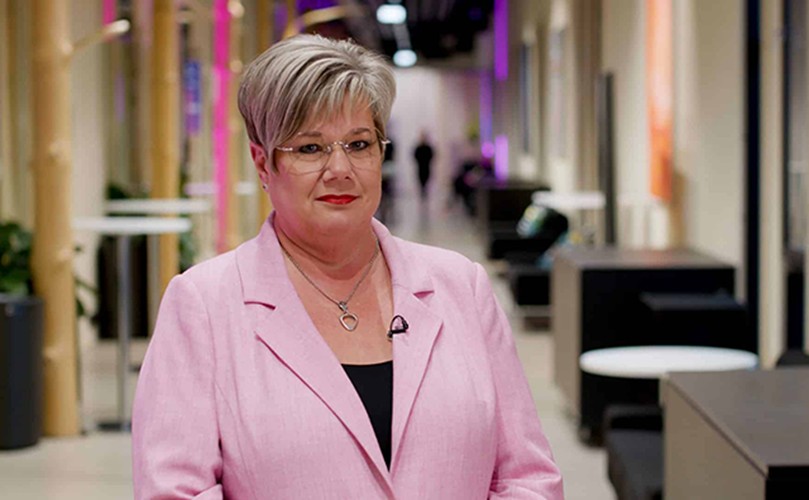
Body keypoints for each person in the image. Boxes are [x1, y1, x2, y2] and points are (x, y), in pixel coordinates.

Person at [132, 34, 563, 499]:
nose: (340, 169)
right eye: (310, 149)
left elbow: (528, 477)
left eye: (359, 144)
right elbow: (174, 492)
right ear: (263, 163)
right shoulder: (203, 305)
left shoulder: (461, 285)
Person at [413, 130, 434, 199]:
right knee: (421, 179)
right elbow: (415, 156)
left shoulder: (428, 148)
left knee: (426, 178)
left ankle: (424, 191)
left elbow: (432, 155)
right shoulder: (418, 147)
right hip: (420, 166)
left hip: (426, 166)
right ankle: (422, 191)